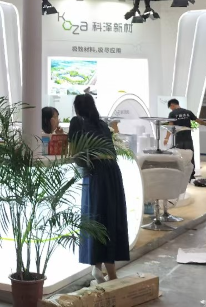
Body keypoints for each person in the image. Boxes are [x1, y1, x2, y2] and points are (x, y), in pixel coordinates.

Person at [69, 94, 129, 283]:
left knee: (96, 218)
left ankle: (102, 270)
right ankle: (104, 271)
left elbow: (76, 154)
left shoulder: (77, 122)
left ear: (77, 108)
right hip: (113, 172)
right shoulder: (102, 124)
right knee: (110, 218)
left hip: (96, 173)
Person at [163, 98, 206, 181]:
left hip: (179, 138)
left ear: (172, 105)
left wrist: (166, 138)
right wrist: (205, 123)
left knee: (179, 156)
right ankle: (191, 175)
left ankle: (180, 174)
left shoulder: (172, 113)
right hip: (188, 138)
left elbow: (170, 126)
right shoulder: (188, 112)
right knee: (190, 156)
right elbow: (198, 120)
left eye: (170, 107)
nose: (171, 109)